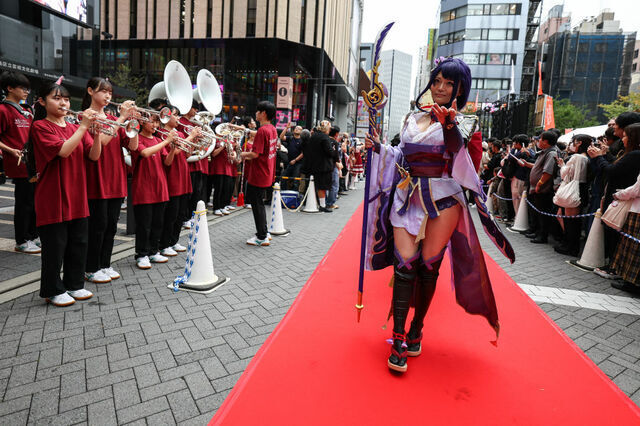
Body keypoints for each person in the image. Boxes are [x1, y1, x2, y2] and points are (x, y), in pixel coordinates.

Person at [364, 58, 514, 373]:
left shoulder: (468, 123)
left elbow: (467, 165)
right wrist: (379, 149)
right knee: (404, 266)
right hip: (407, 196)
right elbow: (400, 154)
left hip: (445, 200)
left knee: (428, 269)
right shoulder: (410, 117)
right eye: (438, 81)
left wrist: (449, 126)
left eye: (449, 83)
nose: (441, 88)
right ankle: (399, 338)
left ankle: (417, 327)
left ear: (460, 88)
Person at [30, 82, 103, 306]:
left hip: (77, 194)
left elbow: (93, 156)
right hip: (52, 196)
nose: (63, 103)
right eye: (56, 98)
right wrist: (83, 127)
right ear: (42, 101)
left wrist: (97, 133)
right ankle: (53, 289)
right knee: (55, 246)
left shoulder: (75, 128)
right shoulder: (40, 127)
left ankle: (74, 284)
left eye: (66, 99)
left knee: (79, 243)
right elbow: (63, 151)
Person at [82, 77, 138, 284]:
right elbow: (102, 142)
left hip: (116, 179)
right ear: (90, 91)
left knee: (111, 226)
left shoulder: (115, 119)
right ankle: (90, 267)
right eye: (103, 91)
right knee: (98, 225)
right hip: (96, 179)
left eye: (110, 93)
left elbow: (132, 146)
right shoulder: (85, 116)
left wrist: (134, 123)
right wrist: (122, 119)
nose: (107, 96)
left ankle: (104, 264)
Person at [589, 121, 640, 279]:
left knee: (616, 235)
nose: (622, 139)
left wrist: (599, 157)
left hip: (623, 200)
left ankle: (614, 267)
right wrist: (605, 156)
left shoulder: (635, 154)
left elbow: (612, 171)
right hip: (620, 198)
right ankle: (613, 265)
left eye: (625, 136)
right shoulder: (630, 153)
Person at [0, 71, 39, 254]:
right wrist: (10, 150)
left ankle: (33, 235)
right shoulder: (2, 110)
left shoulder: (27, 110)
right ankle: (22, 240)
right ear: (9, 88)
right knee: (24, 203)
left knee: (34, 200)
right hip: (17, 163)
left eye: (27, 88)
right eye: (22, 88)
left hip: (31, 162)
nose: (26, 91)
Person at [130, 114, 172, 269]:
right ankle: (141, 254)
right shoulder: (136, 138)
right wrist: (167, 141)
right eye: (152, 121)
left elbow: (167, 162)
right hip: (144, 188)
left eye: (156, 122)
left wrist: (173, 148)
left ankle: (154, 251)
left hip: (160, 187)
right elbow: (145, 153)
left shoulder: (158, 141)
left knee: (157, 223)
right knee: (144, 225)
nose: (155, 125)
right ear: (142, 122)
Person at [158, 105, 199, 257]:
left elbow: (186, 154)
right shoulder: (163, 133)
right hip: (172, 178)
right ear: (166, 117)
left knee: (181, 214)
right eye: (175, 115)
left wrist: (194, 139)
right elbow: (174, 152)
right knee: (171, 214)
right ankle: (164, 243)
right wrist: (190, 136)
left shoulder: (180, 134)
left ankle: (173, 241)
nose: (177, 118)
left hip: (183, 176)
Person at [240, 101, 278, 246]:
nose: (255, 114)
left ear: (263, 113)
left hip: (259, 174)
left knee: (257, 206)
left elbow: (255, 154)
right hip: (267, 172)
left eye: (257, 111)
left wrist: (241, 154)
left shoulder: (263, 131)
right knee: (259, 204)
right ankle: (264, 232)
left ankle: (261, 236)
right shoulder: (272, 129)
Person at [553, 134, 591, 256]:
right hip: (581, 188)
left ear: (579, 143)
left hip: (574, 189)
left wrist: (561, 164)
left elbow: (565, 174)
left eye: (573, 142)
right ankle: (569, 244)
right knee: (566, 217)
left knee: (571, 221)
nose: (571, 144)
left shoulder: (577, 157)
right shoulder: (587, 157)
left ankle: (571, 247)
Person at [526, 131, 559, 244]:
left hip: (544, 189)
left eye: (540, 139)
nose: (538, 141)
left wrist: (539, 184)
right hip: (537, 188)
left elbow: (548, 172)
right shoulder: (544, 152)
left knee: (543, 213)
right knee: (538, 212)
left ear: (545, 141)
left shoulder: (551, 153)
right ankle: (537, 232)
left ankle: (542, 235)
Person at [305, 120, 338, 212]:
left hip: (314, 164)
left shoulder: (314, 136)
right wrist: (334, 150)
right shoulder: (324, 137)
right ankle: (322, 206)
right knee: (322, 186)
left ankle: (320, 204)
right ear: (327, 128)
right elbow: (330, 152)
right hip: (324, 166)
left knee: (317, 185)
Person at [281, 122, 303, 190]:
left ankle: (295, 196)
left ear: (301, 132)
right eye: (296, 128)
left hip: (298, 163)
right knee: (283, 177)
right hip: (289, 162)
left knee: (295, 180)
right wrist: (287, 128)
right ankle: (283, 193)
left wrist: (295, 160)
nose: (296, 129)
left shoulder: (302, 141)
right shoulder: (290, 138)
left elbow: (303, 153)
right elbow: (281, 137)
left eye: (299, 129)